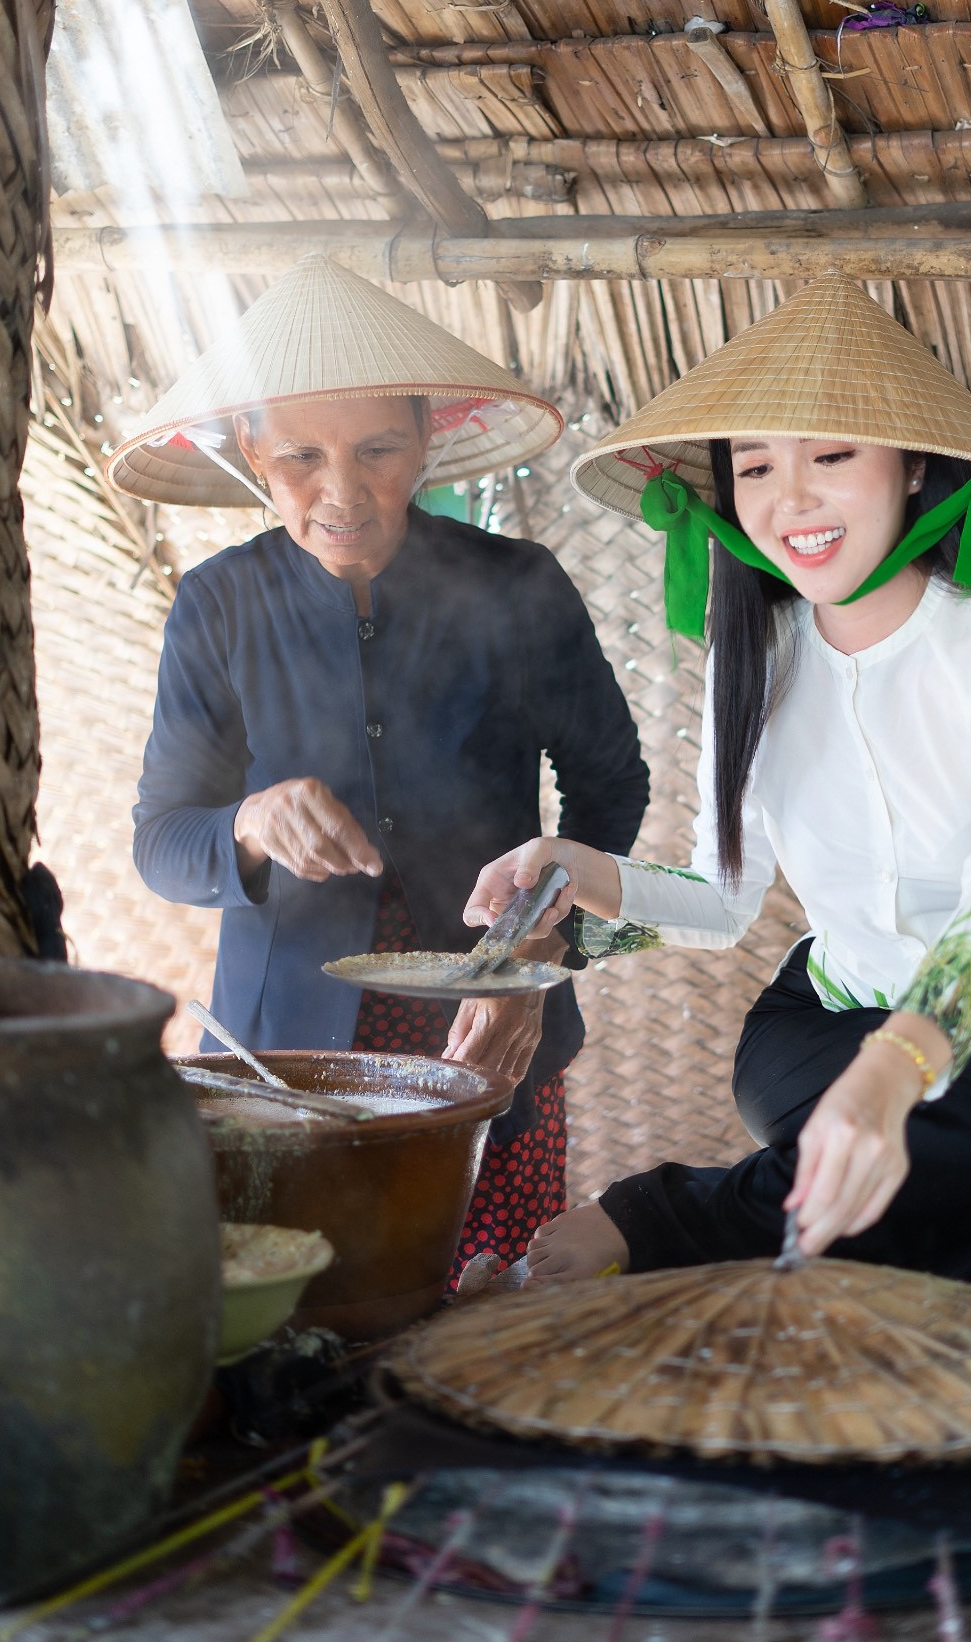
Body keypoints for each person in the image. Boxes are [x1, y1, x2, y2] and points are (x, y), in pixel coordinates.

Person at [464, 275, 971, 1320]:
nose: (789, 499)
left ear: (912, 470)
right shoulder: (752, 655)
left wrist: (899, 1069)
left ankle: (827, 1257)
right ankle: (655, 1217)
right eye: (755, 465)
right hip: (822, 1024)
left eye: (832, 457)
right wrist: (575, 879)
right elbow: (721, 904)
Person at [115, 255, 648, 1276]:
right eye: (301, 456)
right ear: (252, 451)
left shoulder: (519, 588)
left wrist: (540, 944)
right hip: (285, 1056)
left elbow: (612, 785)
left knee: (494, 1300)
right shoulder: (218, 607)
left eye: (379, 448)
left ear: (430, 438)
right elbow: (160, 840)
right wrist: (247, 823)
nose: (343, 491)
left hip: (496, 1024)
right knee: (302, 1312)